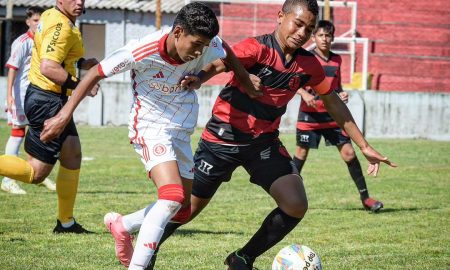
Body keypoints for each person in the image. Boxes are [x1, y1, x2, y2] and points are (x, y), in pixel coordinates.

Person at [139, 0, 397, 269]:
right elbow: (221, 62)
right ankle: (147, 251)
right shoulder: (257, 47)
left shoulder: (309, 65)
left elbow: (331, 100)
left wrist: (363, 145)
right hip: (222, 140)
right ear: (280, 17)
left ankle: (242, 259)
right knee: (186, 210)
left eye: (308, 29)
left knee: (295, 204)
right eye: (298, 24)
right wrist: (200, 78)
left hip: (263, 143)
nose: (302, 33)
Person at [39, 2, 260, 269]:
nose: (201, 51)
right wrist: (63, 116)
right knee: (171, 197)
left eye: (204, 45)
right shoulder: (141, 50)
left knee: (183, 209)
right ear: (178, 32)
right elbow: (94, 74)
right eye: (196, 44)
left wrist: (223, 79)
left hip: (180, 131)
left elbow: (226, 52)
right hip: (149, 127)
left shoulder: (207, 44)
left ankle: (122, 224)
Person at [0, 0, 99, 233]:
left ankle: (66, 223)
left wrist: (83, 63)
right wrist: (81, 84)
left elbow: (57, 55)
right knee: (35, 173)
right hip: (47, 100)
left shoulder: (52, 16)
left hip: (50, 98)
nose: (79, 2)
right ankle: (66, 222)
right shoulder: (60, 26)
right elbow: (48, 67)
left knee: (72, 154)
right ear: (59, 0)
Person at [293, 20, 384, 212]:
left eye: (328, 35)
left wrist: (342, 94)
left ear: (333, 38)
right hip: (309, 118)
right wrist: (304, 93)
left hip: (332, 117)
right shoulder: (306, 58)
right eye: (320, 35)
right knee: (300, 154)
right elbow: (293, 82)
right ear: (313, 37)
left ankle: (366, 199)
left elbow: (337, 87)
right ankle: (288, 198)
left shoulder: (337, 60)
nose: (324, 39)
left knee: (349, 153)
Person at [2, 6, 57, 195]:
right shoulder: (22, 42)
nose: (38, 24)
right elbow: (12, 68)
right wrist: (9, 95)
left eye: (41, 21)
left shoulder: (43, 41)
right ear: (28, 22)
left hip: (36, 96)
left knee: (37, 134)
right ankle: (8, 180)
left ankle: (36, 170)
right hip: (21, 95)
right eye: (35, 21)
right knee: (17, 132)